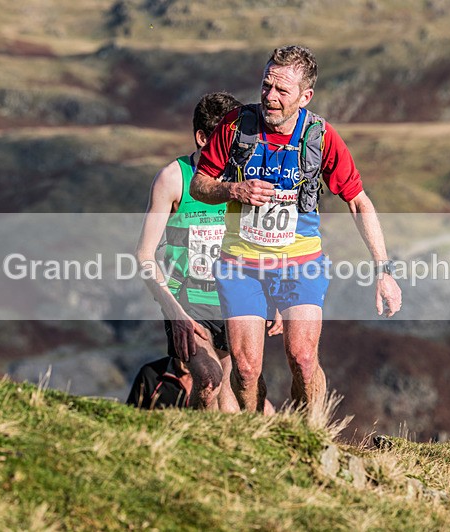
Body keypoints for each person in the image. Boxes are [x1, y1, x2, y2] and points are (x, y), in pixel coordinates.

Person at [190, 45, 403, 413]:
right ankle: (260, 434)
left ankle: (311, 434)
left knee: (303, 359)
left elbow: (358, 202)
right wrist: (233, 189)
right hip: (241, 265)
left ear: (305, 97)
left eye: (281, 91)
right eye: (266, 86)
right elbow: (199, 184)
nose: (269, 97)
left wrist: (384, 271)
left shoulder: (320, 136)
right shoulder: (235, 127)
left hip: (300, 264)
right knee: (245, 368)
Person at [135, 92, 281, 413]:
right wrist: (174, 313)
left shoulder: (243, 178)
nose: (235, 151)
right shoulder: (173, 179)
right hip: (187, 304)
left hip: (233, 303)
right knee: (210, 379)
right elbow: (144, 256)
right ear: (203, 137)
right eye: (227, 141)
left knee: (239, 397)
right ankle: (198, 446)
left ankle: (216, 454)